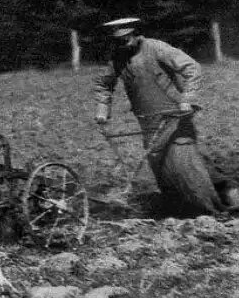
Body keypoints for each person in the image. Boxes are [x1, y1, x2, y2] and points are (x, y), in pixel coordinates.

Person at [93, 17, 228, 215]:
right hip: (148, 122)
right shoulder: (117, 58)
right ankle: (181, 214)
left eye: (127, 38)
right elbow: (103, 84)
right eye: (119, 41)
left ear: (136, 34)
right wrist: (102, 110)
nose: (124, 44)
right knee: (163, 172)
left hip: (175, 117)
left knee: (185, 165)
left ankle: (215, 212)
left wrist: (187, 98)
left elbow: (192, 67)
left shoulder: (156, 48)